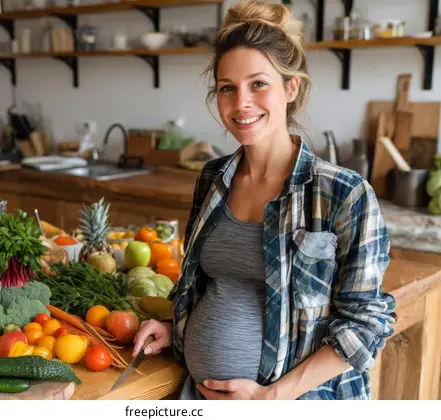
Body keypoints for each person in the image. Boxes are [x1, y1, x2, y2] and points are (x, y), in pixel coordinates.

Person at [132, 0, 396, 400]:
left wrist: (269, 399)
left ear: (291, 88)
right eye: (227, 88)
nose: (241, 103)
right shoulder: (213, 178)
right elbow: (212, 285)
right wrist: (176, 328)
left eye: (258, 84)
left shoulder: (343, 193)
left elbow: (366, 327)